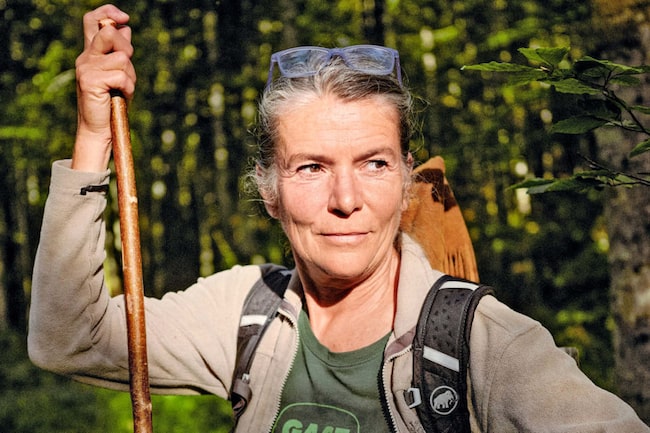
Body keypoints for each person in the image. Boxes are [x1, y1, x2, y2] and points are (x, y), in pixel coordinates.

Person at [28, 4, 649, 433]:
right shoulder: (246, 314)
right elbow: (70, 341)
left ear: (407, 182)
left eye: (374, 164)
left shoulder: (483, 342)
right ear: (269, 191)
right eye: (311, 168)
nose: (346, 198)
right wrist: (92, 136)